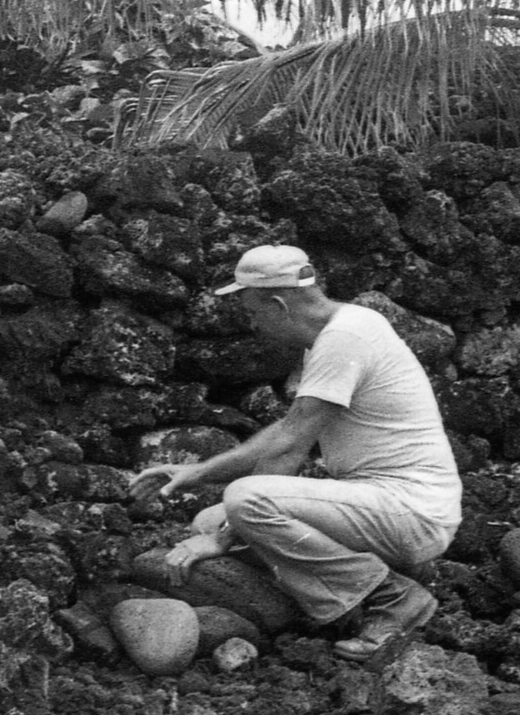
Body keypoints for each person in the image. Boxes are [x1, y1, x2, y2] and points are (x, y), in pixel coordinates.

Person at [127, 244, 460, 660]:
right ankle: (336, 588)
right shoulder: (338, 332)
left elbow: (290, 448)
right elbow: (287, 429)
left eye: (252, 313)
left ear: (279, 304)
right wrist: (196, 473)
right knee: (208, 519)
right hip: (386, 507)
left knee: (244, 503)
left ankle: (393, 599)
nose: (252, 325)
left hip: (413, 513)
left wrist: (226, 538)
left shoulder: (345, 339)